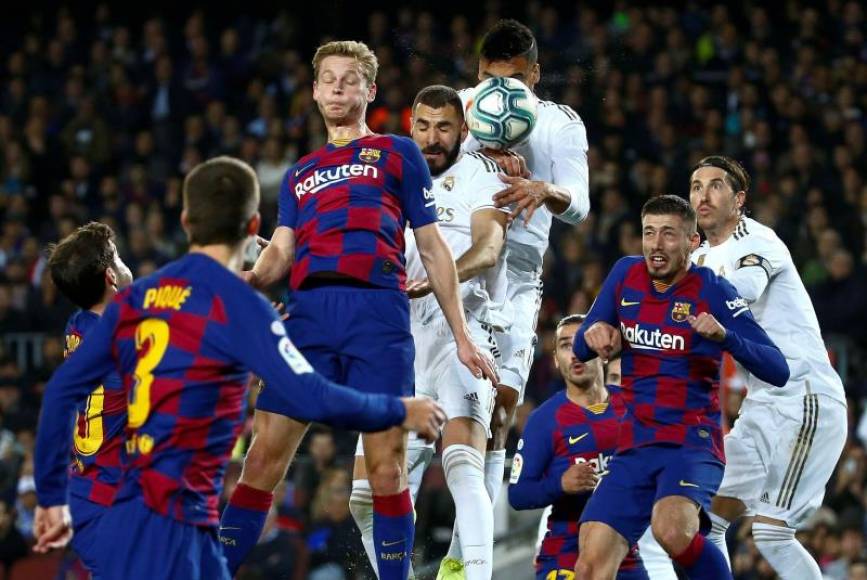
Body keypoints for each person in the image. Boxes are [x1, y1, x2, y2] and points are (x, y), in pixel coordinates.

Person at [33, 157, 446, 579]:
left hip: (92, 498)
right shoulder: (233, 308)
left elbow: (68, 391)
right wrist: (399, 409)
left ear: (186, 221)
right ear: (253, 227)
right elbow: (308, 394)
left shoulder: (113, 312)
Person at [220, 41, 496, 580]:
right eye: (328, 78)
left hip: (378, 313)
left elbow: (433, 247)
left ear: (370, 91)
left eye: (350, 79)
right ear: (314, 90)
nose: (338, 87)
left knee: (387, 469)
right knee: (260, 461)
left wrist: (462, 337)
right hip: (307, 315)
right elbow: (281, 250)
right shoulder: (300, 173)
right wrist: (249, 279)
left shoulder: (398, 152)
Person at [571, 195, 789, 579]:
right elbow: (581, 343)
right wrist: (594, 335)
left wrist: (726, 338)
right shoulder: (625, 274)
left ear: (692, 242)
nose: (656, 245)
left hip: (691, 443)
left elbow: (778, 368)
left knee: (671, 528)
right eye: (649, 233)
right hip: (635, 444)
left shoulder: (713, 290)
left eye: (669, 234)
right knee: (589, 565)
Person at [444, 19, 592, 576]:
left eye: (512, 81)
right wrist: (479, 156)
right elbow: (427, 164)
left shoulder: (559, 123)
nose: (498, 92)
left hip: (519, 276)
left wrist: (544, 188)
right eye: (489, 79)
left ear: (534, 76)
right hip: (457, 267)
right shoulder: (460, 108)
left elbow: (580, 204)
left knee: (501, 409)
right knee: (444, 413)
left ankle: (462, 562)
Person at [350, 85, 509, 580]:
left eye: (444, 128)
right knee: (363, 497)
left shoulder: (483, 175)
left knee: (462, 465)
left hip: (461, 331)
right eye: (423, 126)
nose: (432, 138)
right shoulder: (390, 175)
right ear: (410, 127)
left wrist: (441, 279)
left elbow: (488, 249)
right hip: (399, 341)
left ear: (463, 130)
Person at [689, 155, 848, 579]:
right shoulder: (698, 257)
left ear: (739, 199)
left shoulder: (757, 238)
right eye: (696, 186)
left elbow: (746, 288)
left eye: (715, 185)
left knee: (772, 533)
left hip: (805, 397)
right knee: (703, 519)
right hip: (761, 405)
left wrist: (685, 297)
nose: (703, 194)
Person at [510, 314, 647, 580]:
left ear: (602, 351)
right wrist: (560, 484)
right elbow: (518, 494)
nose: (574, 354)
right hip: (566, 556)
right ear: (555, 360)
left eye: (582, 343)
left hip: (625, 555)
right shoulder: (545, 420)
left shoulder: (632, 406)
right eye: (565, 345)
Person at [38, 222, 133, 575]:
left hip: (87, 490)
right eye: (118, 258)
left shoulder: (78, 323)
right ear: (111, 277)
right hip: (110, 500)